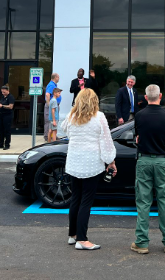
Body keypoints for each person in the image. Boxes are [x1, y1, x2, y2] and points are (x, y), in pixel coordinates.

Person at [64, 88, 116, 250]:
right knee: (86, 201)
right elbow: (106, 141)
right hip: (91, 163)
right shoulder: (99, 117)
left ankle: (72, 235)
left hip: (74, 162)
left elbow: (65, 132)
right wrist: (111, 161)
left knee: (75, 199)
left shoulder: (71, 116)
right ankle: (82, 239)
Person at [131, 84, 165, 254]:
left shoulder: (139, 116)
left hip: (143, 160)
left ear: (145, 97)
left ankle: (142, 242)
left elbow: (137, 137)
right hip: (162, 160)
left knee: (143, 202)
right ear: (160, 97)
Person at [0, 84, 15, 149]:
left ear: (7, 90)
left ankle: (7, 144)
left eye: (4, 92)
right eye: (2, 92)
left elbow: (10, 106)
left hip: (8, 115)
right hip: (1, 114)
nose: (3, 93)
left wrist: (2, 106)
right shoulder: (2, 97)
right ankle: (1, 143)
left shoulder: (10, 97)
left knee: (7, 130)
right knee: (1, 129)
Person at [44, 73, 60, 141]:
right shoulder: (51, 85)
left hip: (54, 105)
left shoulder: (53, 85)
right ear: (55, 77)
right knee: (49, 121)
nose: (59, 79)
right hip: (52, 106)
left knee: (52, 121)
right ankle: (48, 137)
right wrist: (49, 105)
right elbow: (47, 95)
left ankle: (52, 136)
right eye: (58, 77)